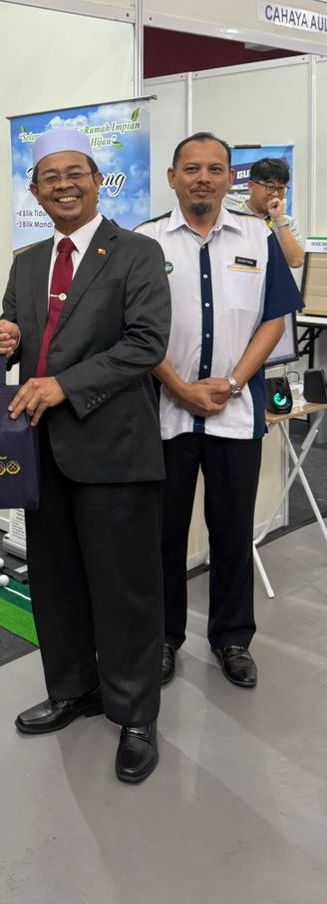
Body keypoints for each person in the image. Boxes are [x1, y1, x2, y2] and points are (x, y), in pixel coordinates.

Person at [0, 128, 171, 784]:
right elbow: (20, 338)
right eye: (50, 177)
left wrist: (64, 385)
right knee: (56, 581)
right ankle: (73, 689)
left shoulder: (138, 253)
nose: (63, 185)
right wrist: (5, 343)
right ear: (35, 192)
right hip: (43, 449)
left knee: (125, 590)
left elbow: (146, 343)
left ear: (98, 182)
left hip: (114, 448)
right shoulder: (27, 261)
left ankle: (135, 714)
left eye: (75, 174)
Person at [137, 132, 302, 691]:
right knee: (163, 535)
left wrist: (232, 383)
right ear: (172, 178)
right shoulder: (147, 242)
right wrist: (180, 387)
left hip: (236, 414)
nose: (202, 178)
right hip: (166, 413)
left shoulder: (259, 236)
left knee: (232, 532)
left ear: (231, 178)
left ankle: (233, 638)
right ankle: (163, 637)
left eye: (214, 169)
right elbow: (137, 330)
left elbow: (274, 319)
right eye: (191, 168)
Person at [224, 156, 304, 268]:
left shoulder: (287, 223)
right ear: (251, 186)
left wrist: (279, 220)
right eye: (270, 187)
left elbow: (296, 261)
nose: (276, 194)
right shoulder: (229, 216)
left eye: (281, 189)